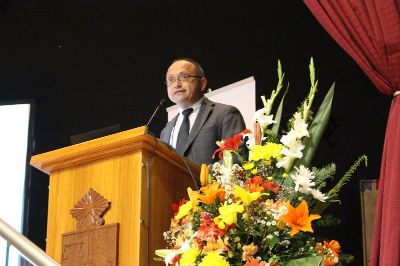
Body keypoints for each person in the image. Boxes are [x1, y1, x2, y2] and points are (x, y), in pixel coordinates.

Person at [160, 58, 246, 165]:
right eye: (171, 79)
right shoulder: (165, 131)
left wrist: (203, 175)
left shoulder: (225, 114)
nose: (177, 84)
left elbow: (236, 157)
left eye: (184, 77)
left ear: (202, 83)